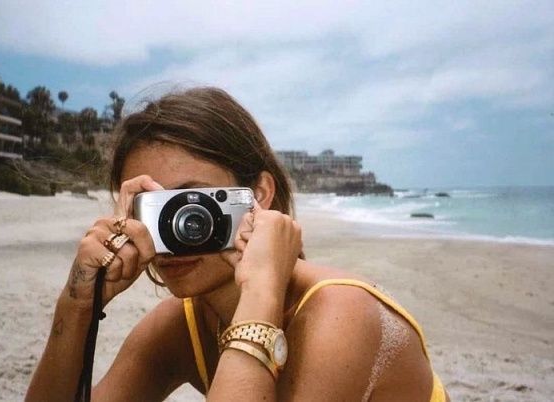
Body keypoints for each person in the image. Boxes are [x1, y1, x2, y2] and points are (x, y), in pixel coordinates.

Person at [26, 87, 449, 401]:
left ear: (258, 194)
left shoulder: (340, 314)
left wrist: (261, 290)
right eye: (155, 208)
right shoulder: (183, 324)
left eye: (194, 202)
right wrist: (77, 306)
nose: (180, 227)